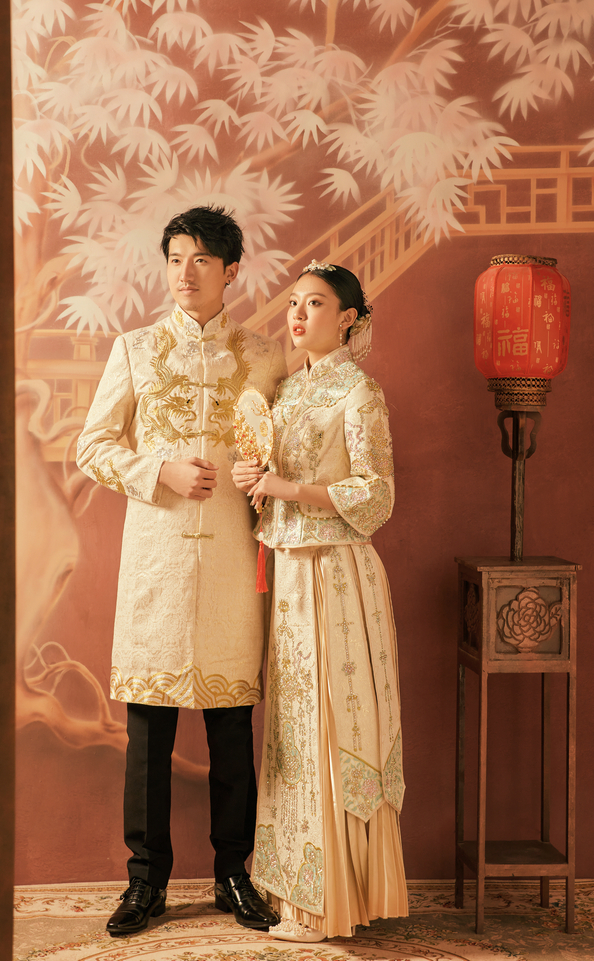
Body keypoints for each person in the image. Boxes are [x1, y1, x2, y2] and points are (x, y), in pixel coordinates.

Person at [76, 206, 286, 937]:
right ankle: (145, 881)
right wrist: (157, 470)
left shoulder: (266, 356)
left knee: (232, 731)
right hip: (157, 562)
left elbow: (286, 453)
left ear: (231, 271)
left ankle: (234, 874)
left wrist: (266, 476)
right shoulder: (134, 349)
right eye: (175, 259)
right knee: (148, 737)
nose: (185, 273)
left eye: (200, 260)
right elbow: (92, 446)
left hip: (231, 562)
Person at [232, 259, 408, 943]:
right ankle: (295, 894)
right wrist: (255, 479)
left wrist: (286, 489)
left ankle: (329, 904)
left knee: (331, 726)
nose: (298, 315)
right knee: (293, 729)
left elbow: (377, 494)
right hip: (290, 576)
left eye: (316, 304)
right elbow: (275, 479)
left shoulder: (359, 393)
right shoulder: (287, 391)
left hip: (336, 574)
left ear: (348, 319)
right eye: (294, 303)